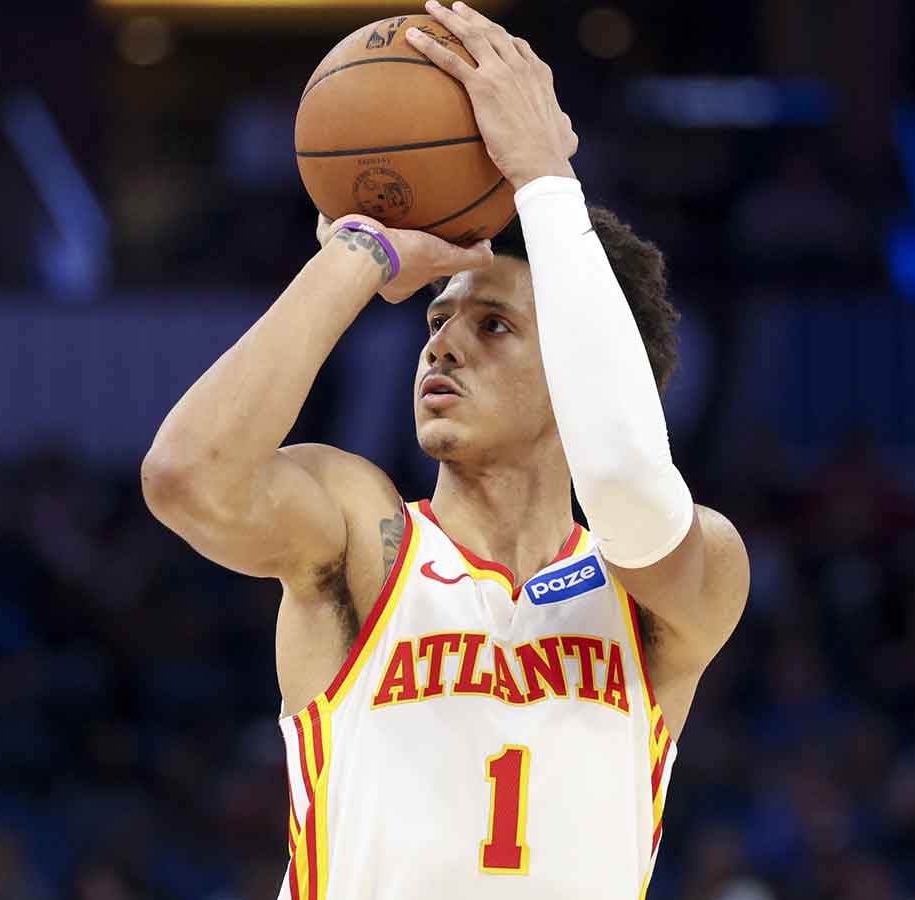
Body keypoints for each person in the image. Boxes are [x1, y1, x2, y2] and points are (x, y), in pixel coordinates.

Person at [141, 2, 750, 897]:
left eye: (494, 324)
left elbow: (621, 473)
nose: (442, 345)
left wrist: (546, 176)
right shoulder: (364, 533)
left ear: (579, 370)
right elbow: (185, 477)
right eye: (437, 318)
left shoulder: (681, 577)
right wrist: (359, 252)